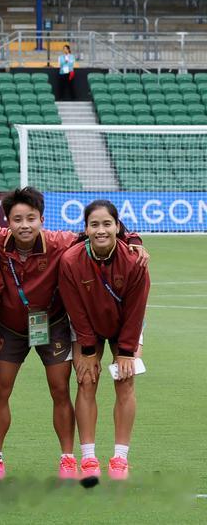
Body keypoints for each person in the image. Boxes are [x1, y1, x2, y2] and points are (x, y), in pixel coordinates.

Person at [0, 187, 81, 481]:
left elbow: (98, 232)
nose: (24, 225)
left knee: (60, 390)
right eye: (17, 219)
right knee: (0, 389)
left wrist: (134, 240)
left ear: (41, 219)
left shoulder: (60, 242)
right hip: (10, 328)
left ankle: (67, 459)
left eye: (31, 218)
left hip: (52, 326)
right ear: (7, 221)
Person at [59, 200, 150, 483]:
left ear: (117, 227)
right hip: (88, 326)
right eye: (94, 224)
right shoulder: (71, 260)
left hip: (126, 325)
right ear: (85, 229)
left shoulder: (135, 261)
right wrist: (87, 350)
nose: (101, 230)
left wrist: (126, 353)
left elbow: (136, 311)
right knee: (86, 379)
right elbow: (75, 308)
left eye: (107, 224)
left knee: (126, 380)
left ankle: (120, 458)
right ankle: (88, 458)